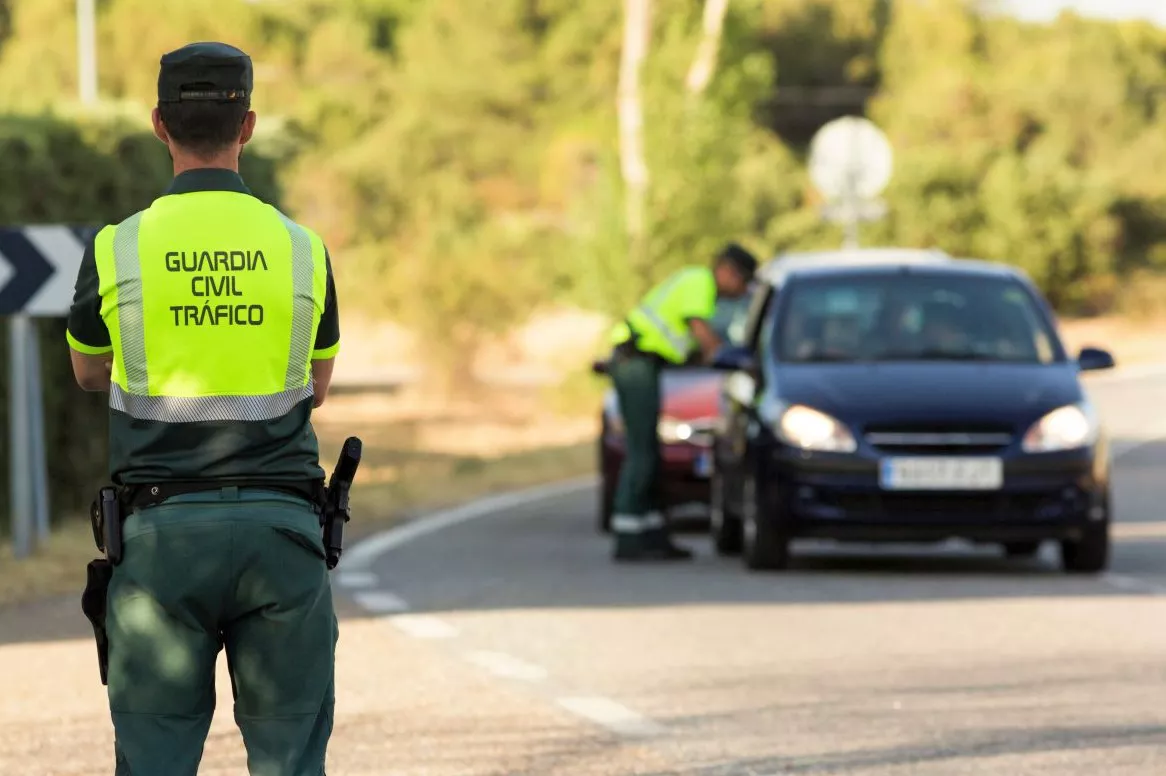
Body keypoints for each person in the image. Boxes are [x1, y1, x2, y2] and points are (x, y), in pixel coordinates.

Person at [67, 42, 341, 776]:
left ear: (159, 125)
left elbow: (88, 371)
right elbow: (315, 384)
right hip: (281, 538)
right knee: (291, 762)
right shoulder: (303, 249)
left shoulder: (117, 247)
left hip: (158, 545)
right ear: (247, 126)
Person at [606, 243, 758, 562]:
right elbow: (702, 333)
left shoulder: (697, 283)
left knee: (649, 450)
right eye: (742, 282)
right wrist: (730, 358)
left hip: (644, 365)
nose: (741, 291)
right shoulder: (699, 282)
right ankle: (628, 534)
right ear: (726, 271)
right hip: (635, 364)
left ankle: (651, 532)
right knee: (642, 452)